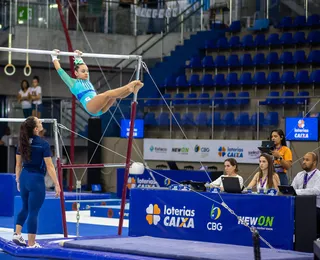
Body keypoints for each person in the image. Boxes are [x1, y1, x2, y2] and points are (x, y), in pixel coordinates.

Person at [12, 116, 61, 248]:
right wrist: (57, 184)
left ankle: (17, 234)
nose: (41, 122)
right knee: (33, 211)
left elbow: (18, 164)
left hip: (24, 177)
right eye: (39, 122)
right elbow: (50, 166)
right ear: (36, 129)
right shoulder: (43, 144)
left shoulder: (22, 142)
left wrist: (18, 180)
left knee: (25, 207)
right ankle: (32, 243)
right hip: (36, 180)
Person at [51, 49, 144, 117]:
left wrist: (78, 57)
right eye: (83, 72)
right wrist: (54, 57)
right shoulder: (72, 83)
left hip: (99, 105)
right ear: (76, 73)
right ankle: (129, 87)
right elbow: (60, 70)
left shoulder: (87, 79)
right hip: (91, 107)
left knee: (114, 96)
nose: (86, 73)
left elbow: (82, 66)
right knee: (108, 94)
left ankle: (132, 89)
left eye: (87, 71)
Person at [291, 152, 320, 238]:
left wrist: (298, 192)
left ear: (314, 162)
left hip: (315, 208)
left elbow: (316, 191)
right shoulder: (299, 175)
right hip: (299, 207)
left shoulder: (319, 175)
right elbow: (292, 189)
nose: (304, 162)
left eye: (307, 160)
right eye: (303, 159)